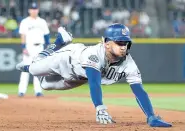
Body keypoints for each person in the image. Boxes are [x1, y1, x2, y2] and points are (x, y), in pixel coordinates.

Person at [16, 24, 172, 127]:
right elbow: (94, 82)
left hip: (78, 77)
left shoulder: (128, 63)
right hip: (67, 59)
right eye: (119, 42)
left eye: (126, 43)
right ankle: (59, 42)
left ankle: (37, 63)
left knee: (45, 85)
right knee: (35, 69)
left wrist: (151, 116)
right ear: (106, 43)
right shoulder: (95, 54)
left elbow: (139, 90)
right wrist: (99, 107)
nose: (123, 47)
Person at [18, 2, 50, 97]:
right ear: (29, 10)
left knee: (38, 70)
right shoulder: (25, 21)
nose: (34, 10)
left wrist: (47, 47)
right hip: (29, 47)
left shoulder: (42, 22)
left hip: (40, 47)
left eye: (35, 9)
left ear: (38, 10)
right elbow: (23, 35)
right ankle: (22, 91)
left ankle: (38, 91)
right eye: (32, 9)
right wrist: (23, 47)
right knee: (25, 69)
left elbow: (46, 35)